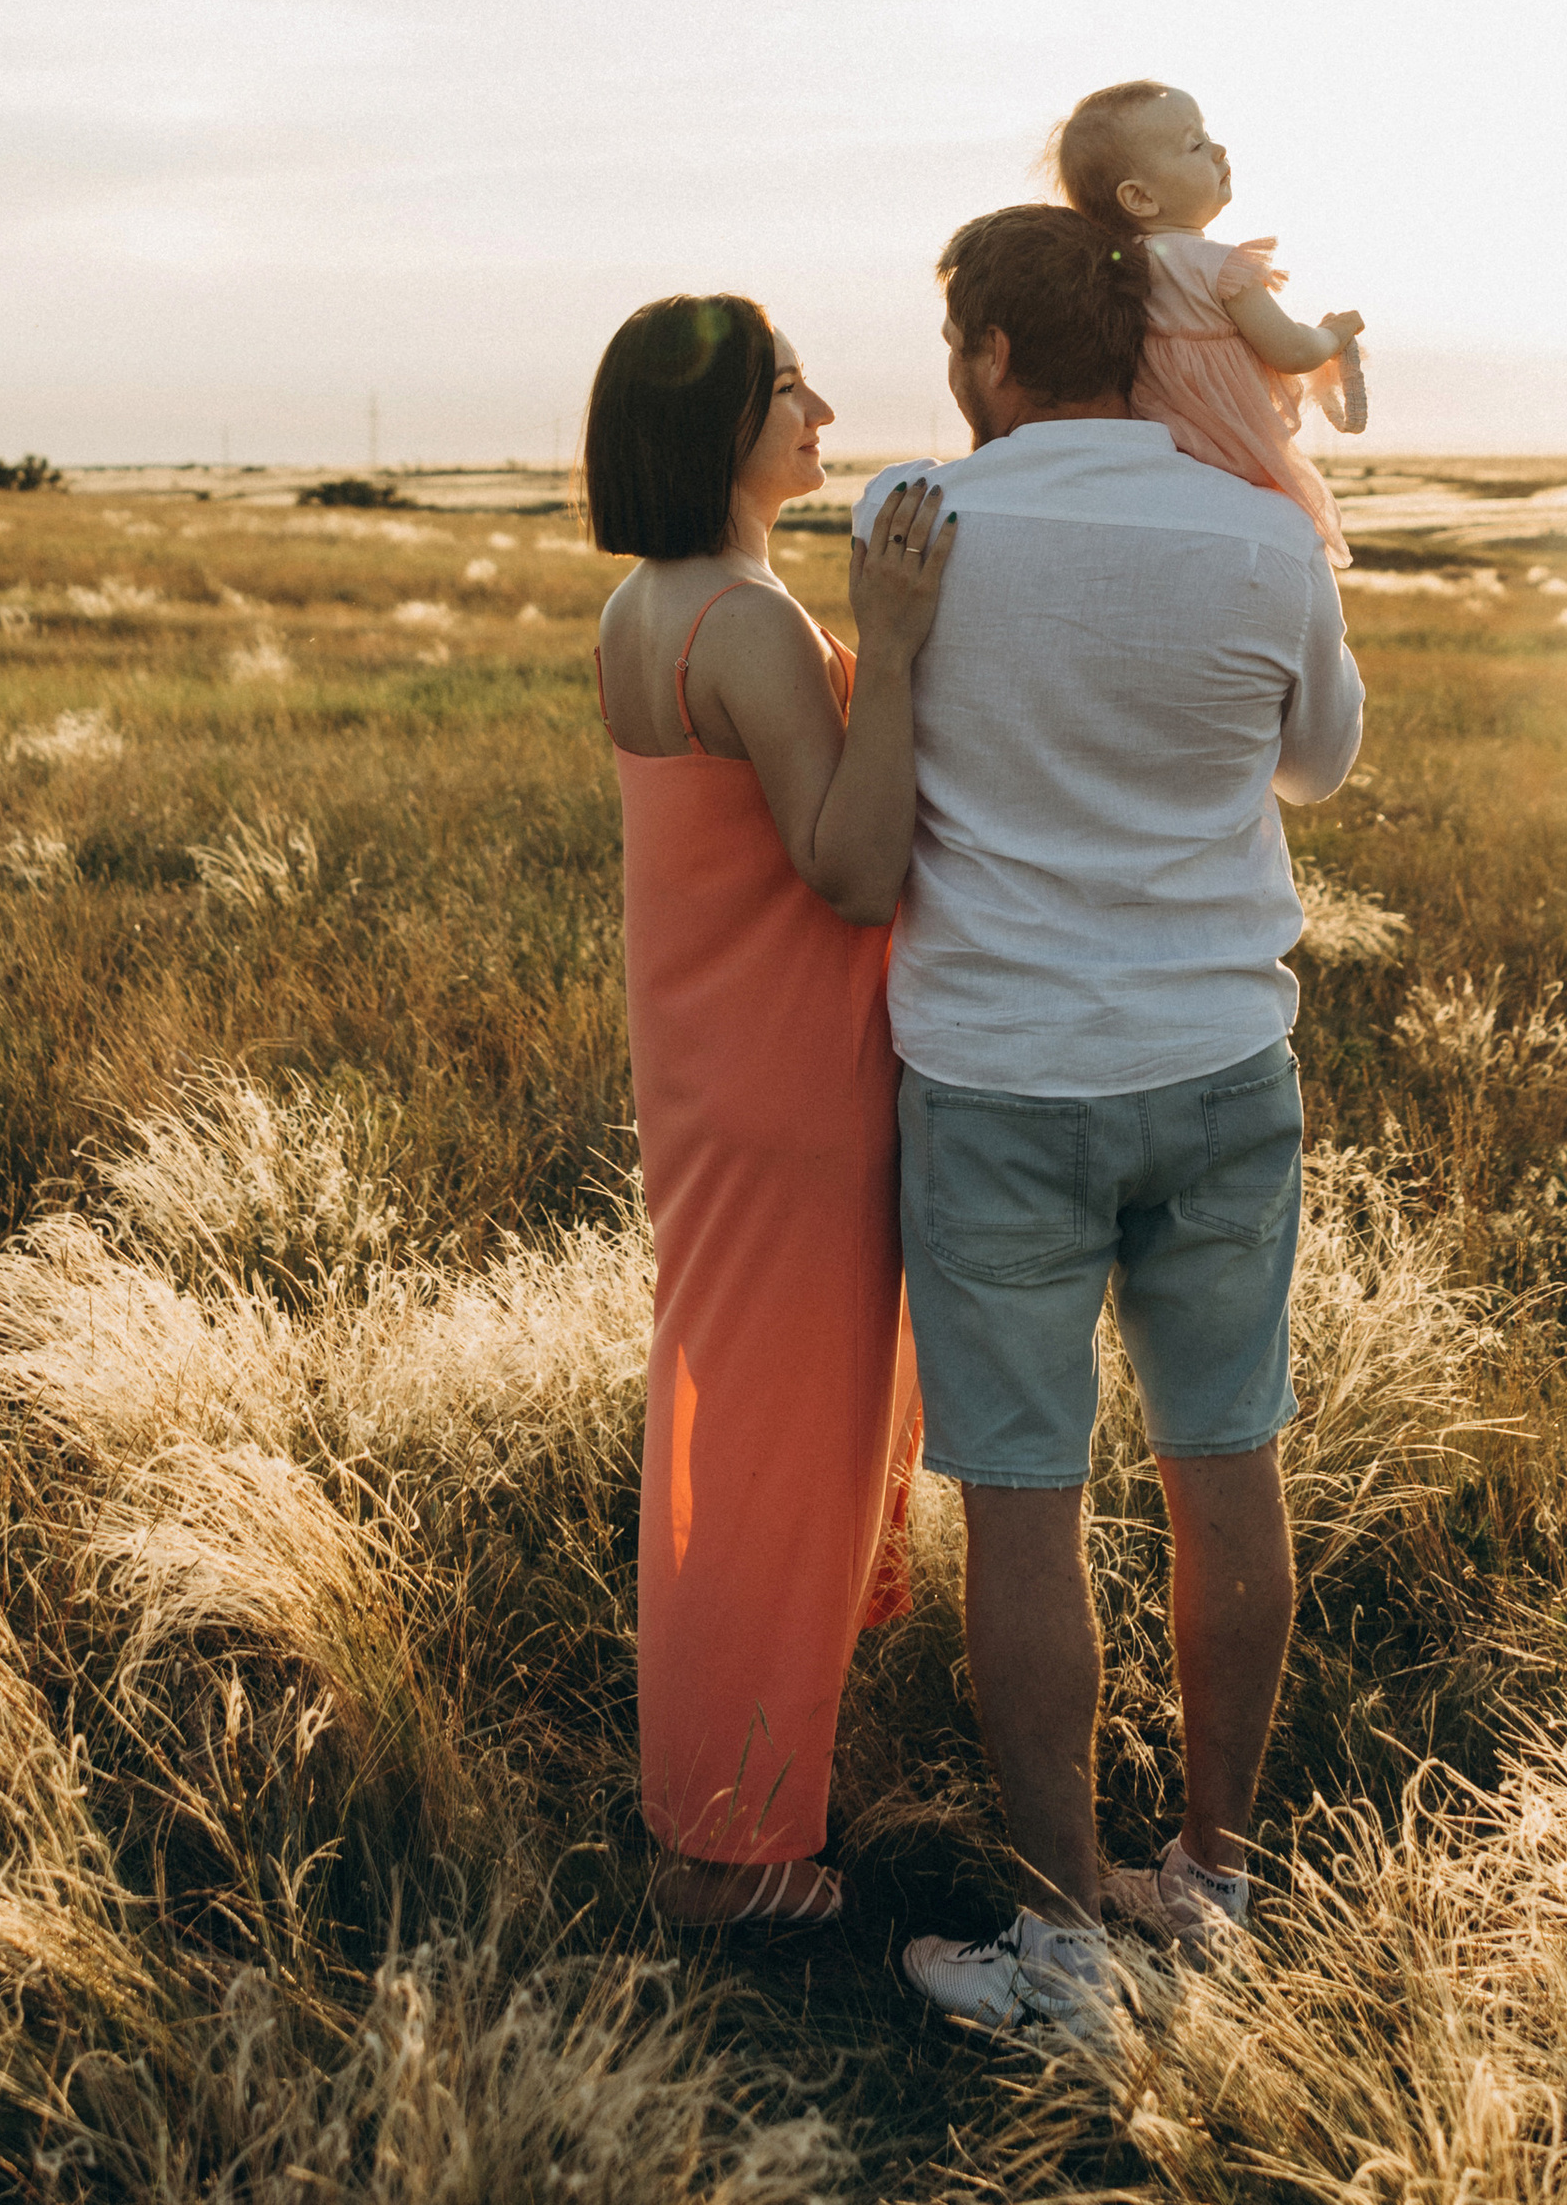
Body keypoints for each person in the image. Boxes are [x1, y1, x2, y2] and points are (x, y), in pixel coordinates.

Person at [844, 206, 1367, 2030]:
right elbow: (1318, 761)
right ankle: (1212, 1877)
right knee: (1228, 1466)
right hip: (1217, 1064)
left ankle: (1065, 1936)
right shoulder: (1260, 532)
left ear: (988, 357)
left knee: (1023, 1507)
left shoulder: (912, 516)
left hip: (996, 1079)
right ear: (1147, 340)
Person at [588, 292, 954, 1931]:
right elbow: (853, 861)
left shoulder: (646, 604)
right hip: (796, 1083)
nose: (822, 407)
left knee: (731, 1421)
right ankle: (726, 1853)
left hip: (721, 1065)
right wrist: (904, 646)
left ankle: (731, 1794)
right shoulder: (741, 620)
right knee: (769, 1452)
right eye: (790, 384)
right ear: (720, 425)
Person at [1050, 79, 1365, 567]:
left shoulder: (1116, 271)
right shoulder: (1219, 268)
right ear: (1139, 198)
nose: (1218, 149)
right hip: (1227, 440)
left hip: (1153, 440)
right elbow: (1292, 351)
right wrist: (1336, 333)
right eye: (1194, 144)